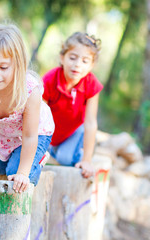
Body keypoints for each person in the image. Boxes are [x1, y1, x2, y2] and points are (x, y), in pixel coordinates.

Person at [0, 23, 55, 193]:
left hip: (35, 134)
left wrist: (23, 172)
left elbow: (30, 135)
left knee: (15, 176)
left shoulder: (29, 90)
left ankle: (39, 159)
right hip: (4, 136)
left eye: (3, 67)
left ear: (18, 64)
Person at [42, 32, 103, 178]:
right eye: (73, 58)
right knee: (43, 157)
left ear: (91, 65)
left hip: (74, 132)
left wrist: (87, 161)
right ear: (62, 57)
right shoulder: (49, 80)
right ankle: (55, 149)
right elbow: (38, 117)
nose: (77, 65)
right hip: (50, 133)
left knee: (65, 159)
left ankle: (81, 152)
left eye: (85, 61)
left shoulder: (91, 84)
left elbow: (90, 123)